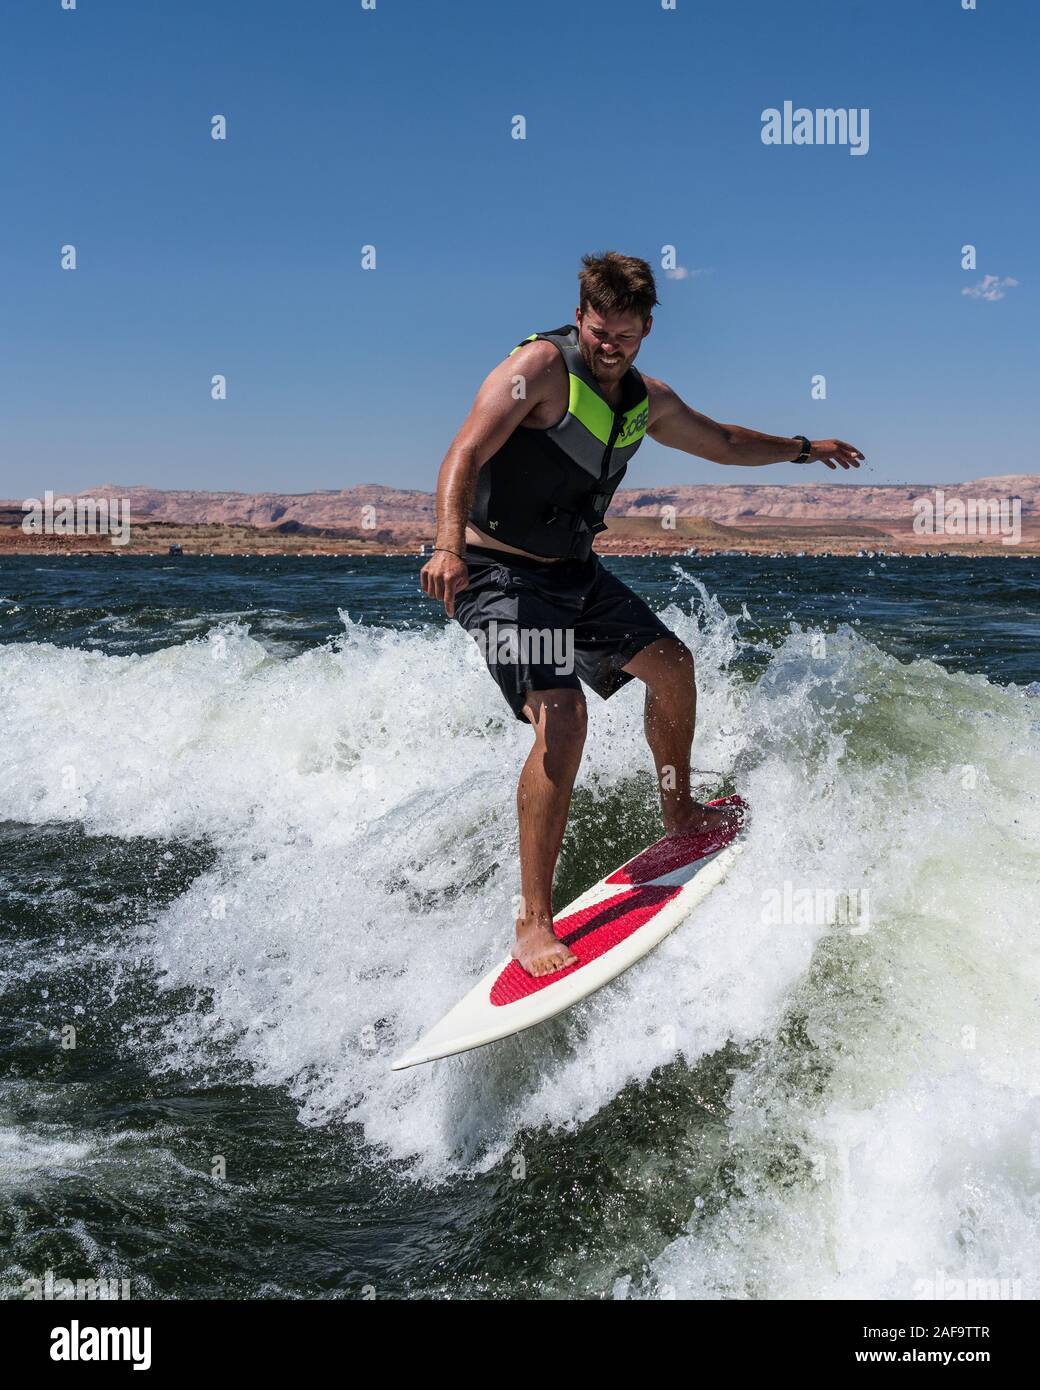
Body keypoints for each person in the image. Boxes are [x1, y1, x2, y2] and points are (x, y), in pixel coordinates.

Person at [421, 251, 863, 977]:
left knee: (673, 666)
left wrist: (803, 449)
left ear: (646, 329)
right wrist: (446, 547)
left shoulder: (646, 400)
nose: (609, 346)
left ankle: (679, 809)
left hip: (573, 574)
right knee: (562, 717)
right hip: (494, 572)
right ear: (580, 319)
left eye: (623, 335)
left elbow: (721, 442)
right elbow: (464, 451)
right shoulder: (536, 369)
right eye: (598, 331)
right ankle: (533, 920)